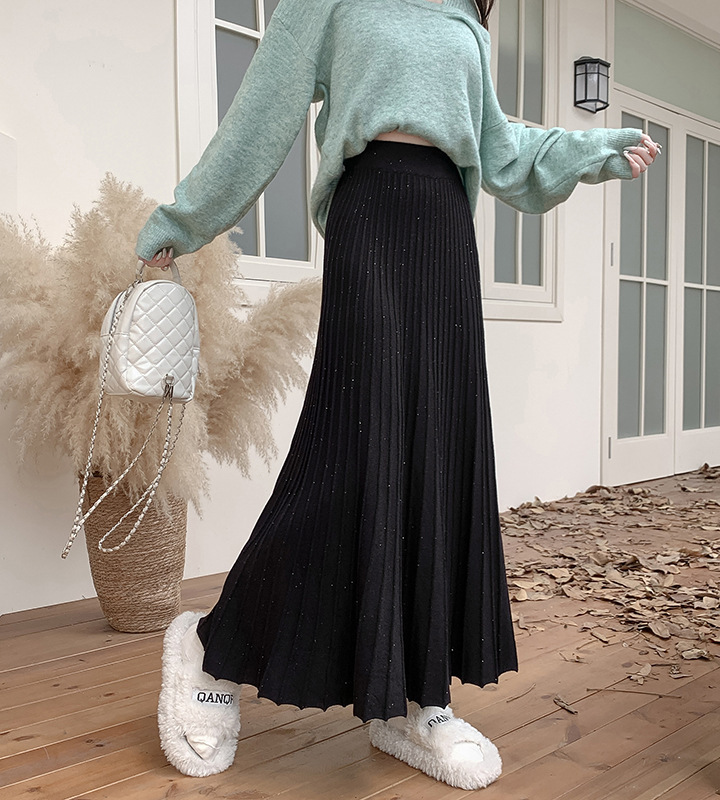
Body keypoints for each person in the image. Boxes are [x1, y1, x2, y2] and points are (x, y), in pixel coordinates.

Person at [138, 0, 660, 790]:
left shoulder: (465, 18)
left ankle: (416, 696)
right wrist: (179, 225)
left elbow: (501, 150)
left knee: (436, 456)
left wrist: (592, 149)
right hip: (371, 217)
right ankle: (212, 647)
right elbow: (259, 120)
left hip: (446, 227)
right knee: (349, 455)